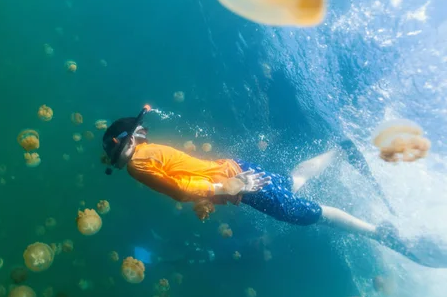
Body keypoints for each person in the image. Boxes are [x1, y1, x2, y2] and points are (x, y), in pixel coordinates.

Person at [102, 106, 447, 268]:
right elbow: (185, 175)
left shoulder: (137, 164)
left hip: (238, 182)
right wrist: (221, 186)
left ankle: (379, 233)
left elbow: (179, 188)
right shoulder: (147, 151)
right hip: (237, 171)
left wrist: (223, 189)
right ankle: (340, 150)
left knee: (303, 212)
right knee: (290, 184)